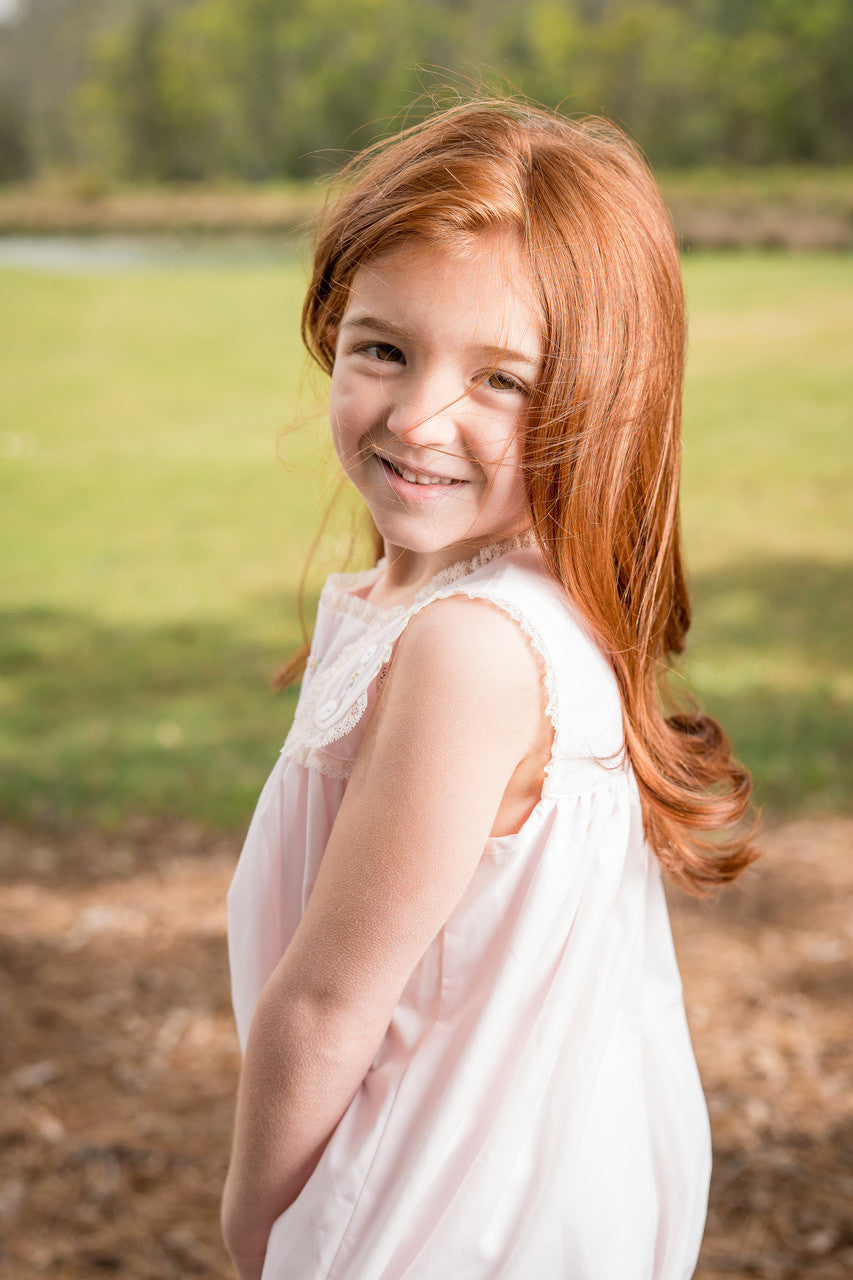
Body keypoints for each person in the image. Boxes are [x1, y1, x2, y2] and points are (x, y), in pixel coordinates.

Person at [221, 98, 757, 1280]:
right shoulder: (484, 600)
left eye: (500, 379)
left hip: (437, 1207)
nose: (419, 418)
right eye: (383, 348)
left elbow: (323, 1004)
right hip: (512, 1183)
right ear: (331, 329)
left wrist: (256, 1225)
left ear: (596, 400)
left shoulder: (472, 648)